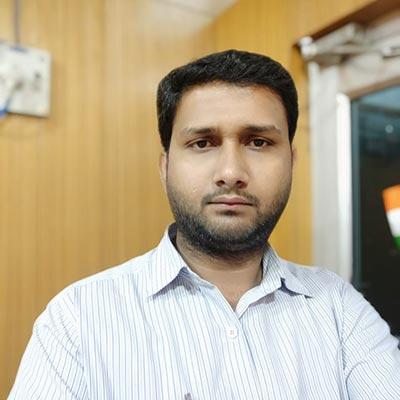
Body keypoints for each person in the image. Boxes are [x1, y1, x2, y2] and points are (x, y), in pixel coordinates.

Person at [9, 50, 400, 399]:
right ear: (165, 167)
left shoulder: (339, 309)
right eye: (203, 143)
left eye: (258, 142)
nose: (231, 172)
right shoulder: (78, 319)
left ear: (292, 163)